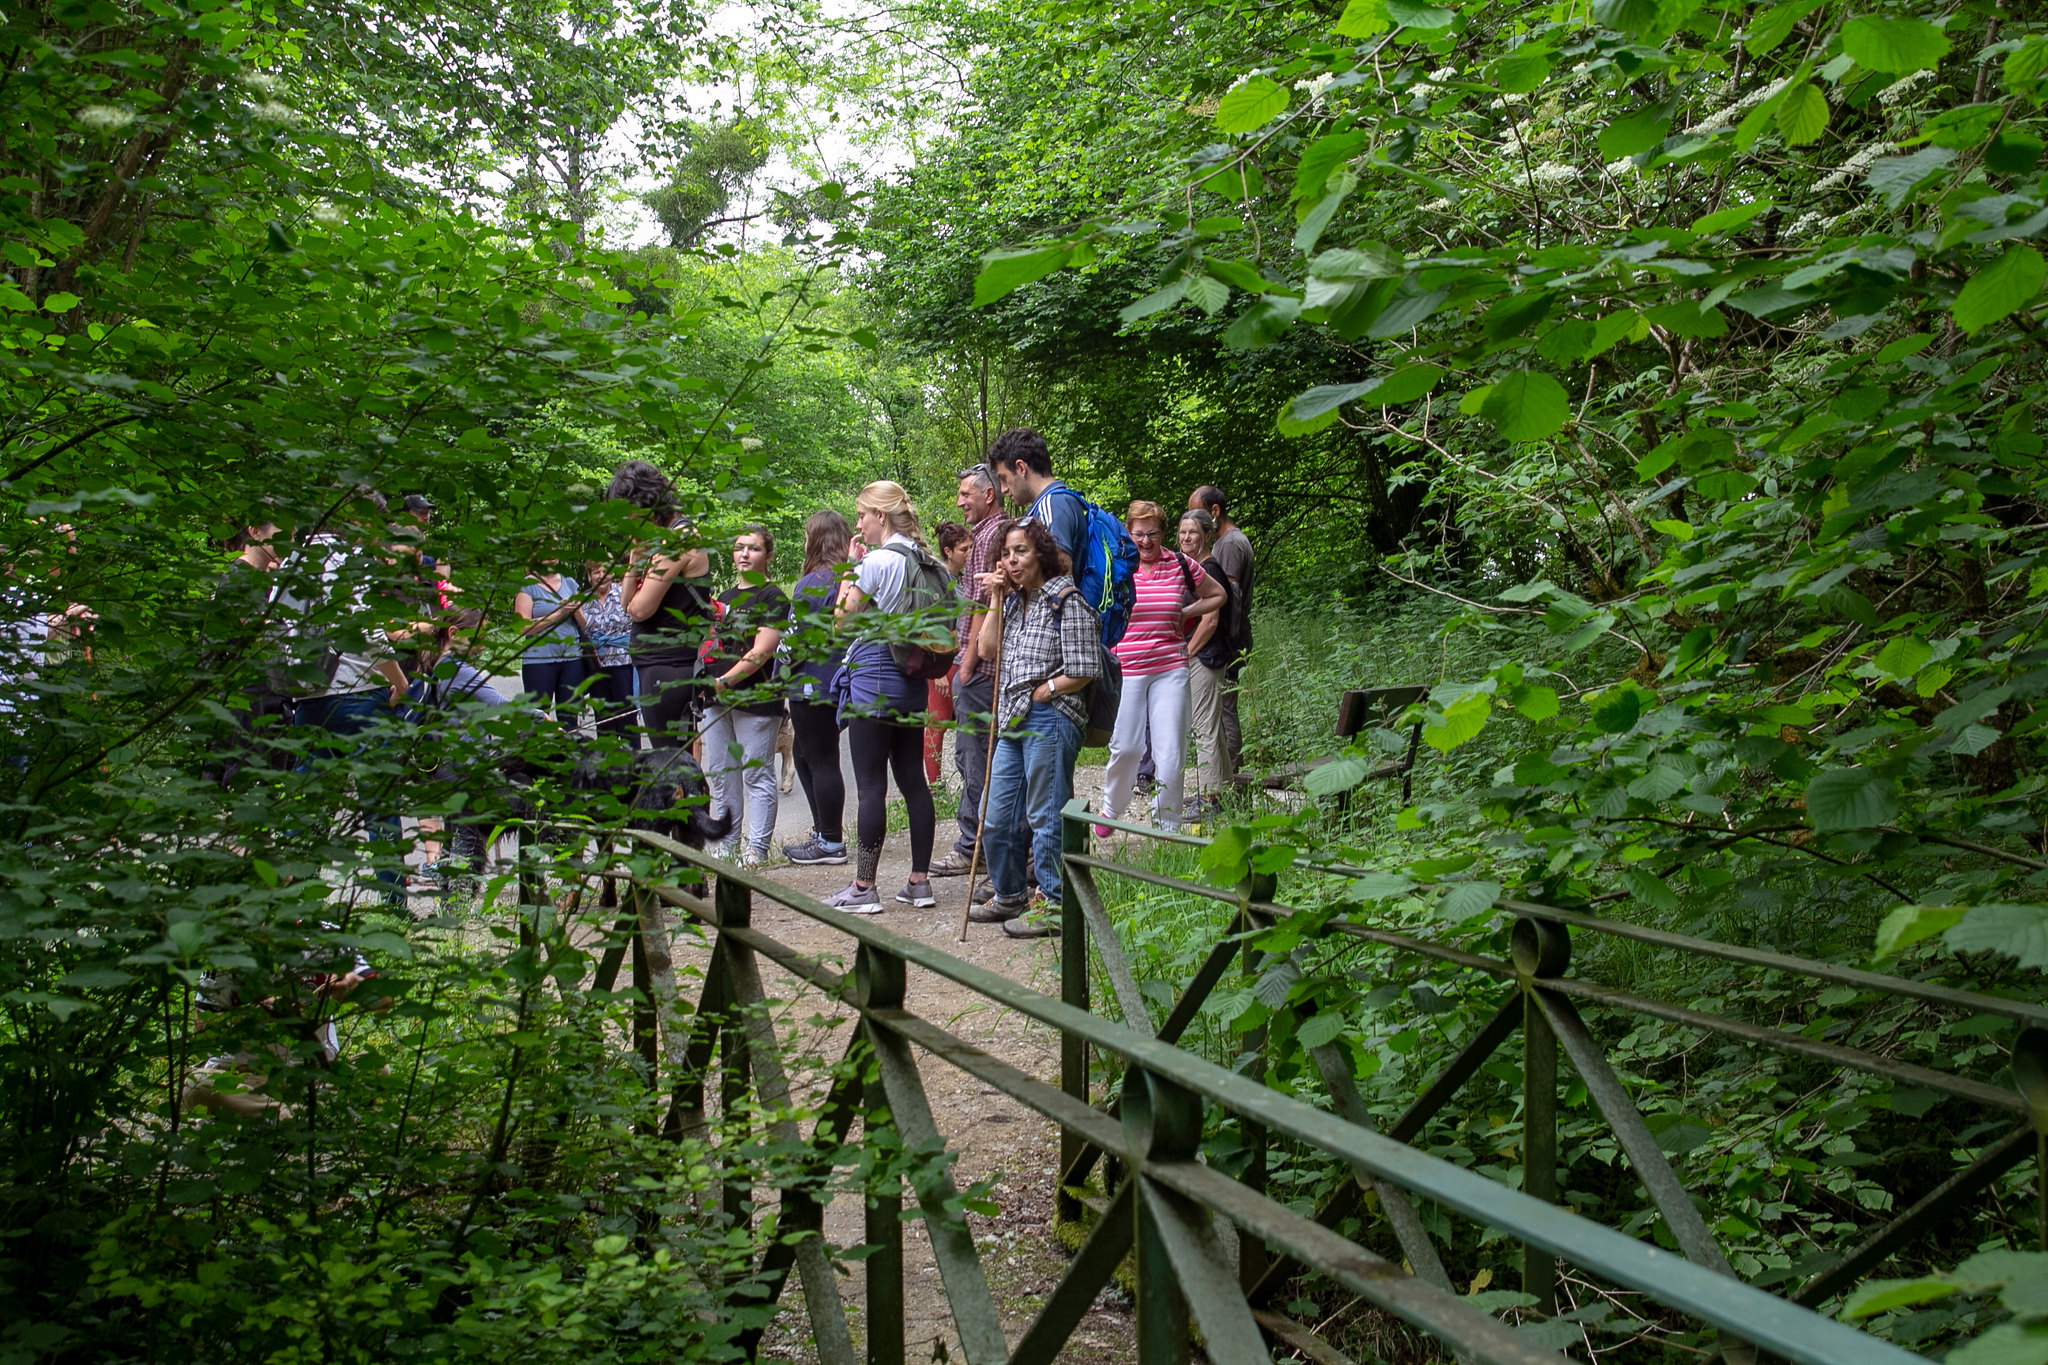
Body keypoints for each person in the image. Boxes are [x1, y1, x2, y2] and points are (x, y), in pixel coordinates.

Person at [973, 519, 1102, 939]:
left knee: (1045, 814)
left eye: (1021, 551)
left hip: (1051, 715)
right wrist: (994, 596)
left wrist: (1047, 689)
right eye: (1007, 553)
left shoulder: (1066, 599)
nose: (1012, 560)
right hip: (1013, 716)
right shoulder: (1012, 602)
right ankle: (1010, 893)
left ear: (1041, 555)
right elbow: (987, 649)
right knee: (996, 815)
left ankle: (1055, 903)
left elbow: (1084, 668)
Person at [826, 481, 940, 913]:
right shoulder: (925, 560)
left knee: (871, 784)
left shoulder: (875, 563)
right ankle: (919, 882)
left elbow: (842, 621)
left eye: (861, 516)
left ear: (881, 516)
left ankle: (864, 887)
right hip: (912, 680)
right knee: (913, 779)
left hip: (873, 678)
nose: (858, 525)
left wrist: (851, 569)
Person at [1101, 501, 1223, 832]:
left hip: (1170, 667)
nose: (1145, 541)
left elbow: (1218, 595)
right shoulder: (1118, 566)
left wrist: (1187, 613)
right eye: (1138, 533)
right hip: (1127, 667)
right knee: (1126, 746)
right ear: (1128, 532)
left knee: (1170, 753)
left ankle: (1166, 827)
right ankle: (1111, 809)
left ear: (1162, 533)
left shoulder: (1180, 564)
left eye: (1152, 533)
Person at [934, 463, 1009, 879]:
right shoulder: (988, 534)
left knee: (974, 757)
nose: (960, 501)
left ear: (988, 494)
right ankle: (981, 842)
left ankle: (972, 847)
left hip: (981, 670)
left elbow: (984, 603)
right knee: (979, 756)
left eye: (966, 493)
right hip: (980, 666)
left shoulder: (990, 536)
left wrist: (966, 665)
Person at [609, 460, 713, 749]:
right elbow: (625, 603)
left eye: (629, 512)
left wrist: (634, 596)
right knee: (669, 762)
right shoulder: (658, 541)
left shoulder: (678, 539)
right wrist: (634, 560)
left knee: (672, 762)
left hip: (670, 667)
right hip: (654, 664)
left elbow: (641, 609)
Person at [700, 526, 787, 868]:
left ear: (768, 555)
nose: (744, 554)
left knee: (755, 772)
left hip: (756, 698)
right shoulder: (724, 597)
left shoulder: (773, 598)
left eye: (753, 548)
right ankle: (727, 843)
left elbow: (762, 651)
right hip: (715, 700)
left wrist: (724, 681)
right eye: (739, 548)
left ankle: (757, 850)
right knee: (722, 772)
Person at [781, 510, 851, 866]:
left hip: (810, 683)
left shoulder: (812, 583)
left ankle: (830, 840)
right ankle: (823, 830)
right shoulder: (848, 580)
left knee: (820, 759)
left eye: (807, 534)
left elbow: (793, 640)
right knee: (806, 756)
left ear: (817, 539)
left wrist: (779, 676)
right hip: (838, 683)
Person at [1189, 484, 1255, 779]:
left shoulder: (1227, 545)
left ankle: (1226, 785)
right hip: (1230, 642)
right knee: (1221, 711)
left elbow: (1229, 600)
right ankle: (1227, 783)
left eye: (1198, 512)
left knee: (1220, 714)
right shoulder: (1235, 539)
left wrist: (1228, 644)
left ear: (1214, 512)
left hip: (1224, 645)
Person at [1179, 508, 1235, 808]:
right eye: (1183, 531)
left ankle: (1209, 799)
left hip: (1206, 658)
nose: (1186, 537)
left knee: (1204, 728)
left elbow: (1210, 620)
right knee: (1211, 725)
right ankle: (1224, 791)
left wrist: (1187, 655)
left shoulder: (1208, 569)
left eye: (1193, 532)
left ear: (1207, 535)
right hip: (1209, 657)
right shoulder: (1193, 566)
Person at [988, 427, 1086, 568]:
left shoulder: (1052, 506)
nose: (1003, 489)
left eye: (1004, 478)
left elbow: (1059, 575)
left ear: (1021, 468)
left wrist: (1009, 584)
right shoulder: (1056, 502)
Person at [923, 521, 971, 786]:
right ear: (948, 550)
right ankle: (934, 785)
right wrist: (937, 671)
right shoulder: (937, 581)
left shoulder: (961, 579)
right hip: (942, 663)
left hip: (961, 659)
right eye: (964, 548)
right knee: (937, 724)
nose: (969, 552)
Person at [517, 564, 587, 730]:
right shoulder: (527, 585)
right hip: (539, 660)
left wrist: (576, 609)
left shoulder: (569, 582)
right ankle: (537, 754)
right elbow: (521, 627)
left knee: (570, 716)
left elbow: (584, 624)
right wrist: (558, 614)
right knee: (538, 716)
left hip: (572, 658)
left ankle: (570, 754)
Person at [581, 562, 637, 740]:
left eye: (606, 571)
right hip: (597, 666)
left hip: (622, 661)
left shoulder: (623, 593)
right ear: (590, 576)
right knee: (603, 719)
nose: (601, 575)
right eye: (596, 572)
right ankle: (607, 762)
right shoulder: (583, 600)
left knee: (626, 716)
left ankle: (633, 762)